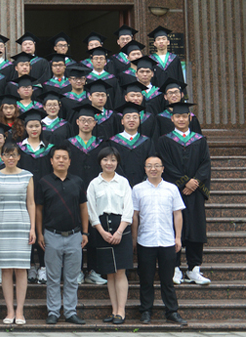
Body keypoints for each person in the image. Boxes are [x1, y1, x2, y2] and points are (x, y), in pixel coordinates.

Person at [155, 102, 211, 286]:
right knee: (173, 227)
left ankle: (194, 268)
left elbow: (205, 164)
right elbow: (166, 165)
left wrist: (195, 182)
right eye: (177, 116)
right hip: (173, 190)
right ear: (172, 119)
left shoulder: (200, 140)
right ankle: (175, 268)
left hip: (195, 192)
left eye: (184, 116)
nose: (181, 119)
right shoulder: (164, 141)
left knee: (196, 228)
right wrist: (184, 181)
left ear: (189, 118)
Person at [35, 145, 88, 325]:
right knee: (53, 277)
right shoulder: (44, 182)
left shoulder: (77, 181)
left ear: (69, 161)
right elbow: (39, 209)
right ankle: (53, 311)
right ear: (51, 161)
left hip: (74, 235)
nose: (61, 160)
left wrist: (85, 232)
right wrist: (40, 233)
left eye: (64, 158)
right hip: (52, 235)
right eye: (57, 157)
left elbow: (83, 208)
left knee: (72, 277)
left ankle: (71, 312)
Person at [132, 156, 188, 326]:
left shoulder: (172, 189)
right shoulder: (137, 189)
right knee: (146, 279)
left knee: (167, 279)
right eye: (149, 166)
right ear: (145, 169)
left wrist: (178, 237)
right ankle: (146, 311)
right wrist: (134, 238)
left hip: (167, 241)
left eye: (157, 166)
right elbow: (134, 215)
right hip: (145, 241)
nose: (153, 169)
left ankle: (172, 311)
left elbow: (177, 214)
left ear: (163, 168)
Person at [0, 143, 36, 325]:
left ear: (18, 157)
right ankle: (9, 310)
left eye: (13, 155)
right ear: (2, 157)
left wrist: (32, 228)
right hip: (2, 225)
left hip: (22, 225)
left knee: (21, 269)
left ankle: (20, 311)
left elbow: (31, 203)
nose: (10, 158)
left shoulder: (27, 176)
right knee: (6, 269)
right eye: (7, 155)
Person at [86, 147, 134, 325]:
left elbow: (128, 209)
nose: (109, 163)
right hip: (102, 229)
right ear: (100, 162)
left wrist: (120, 231)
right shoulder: (94, 184)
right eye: (105, 160)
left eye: (113, 160)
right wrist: (101, 232)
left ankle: (121, 311)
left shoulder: (123, 182)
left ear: (117, 162)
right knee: (109, 273)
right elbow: (91, 211)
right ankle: (114, 310)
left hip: (122, 228)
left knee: (120, 271)